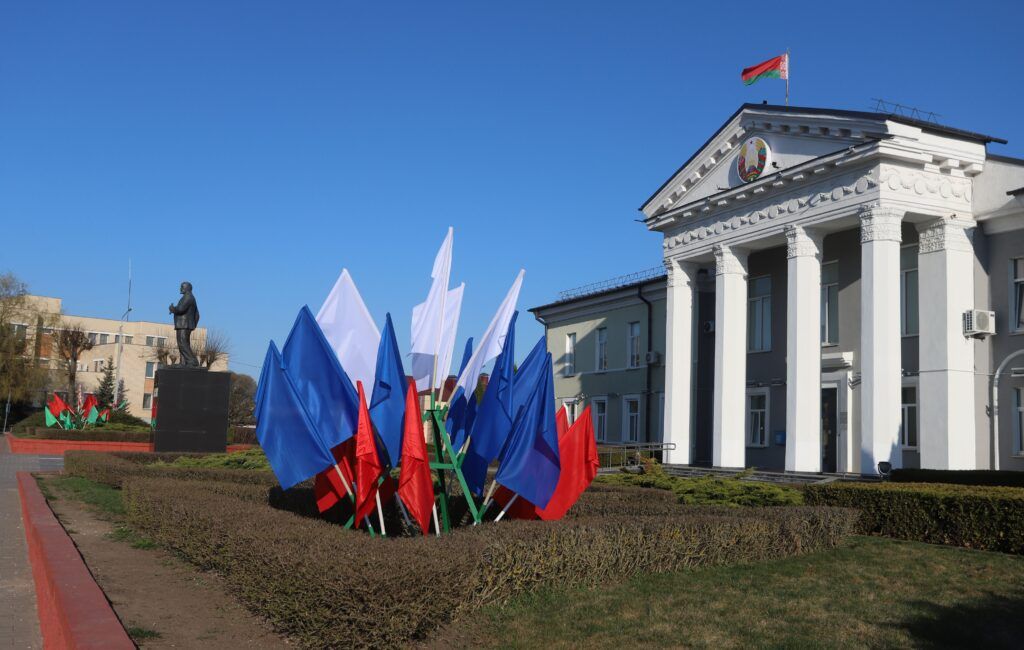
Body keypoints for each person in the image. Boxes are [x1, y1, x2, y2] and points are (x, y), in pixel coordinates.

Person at [168, 281, 200, 368]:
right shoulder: (188, 297)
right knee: (183, 343)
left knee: (182, 343)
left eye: (182, 287)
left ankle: (192, 361)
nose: (181, 288)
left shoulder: (188, 297)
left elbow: (181, 309)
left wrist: (172, 308)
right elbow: (197, 314)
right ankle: (183, 362)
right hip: (185, 324)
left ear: (188, 288)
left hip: (184, 324)